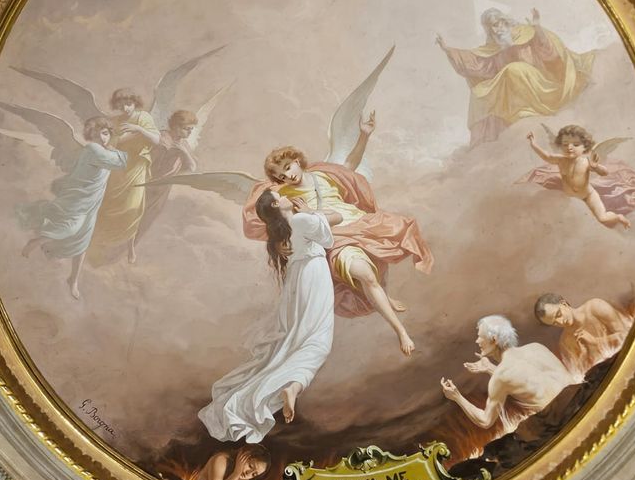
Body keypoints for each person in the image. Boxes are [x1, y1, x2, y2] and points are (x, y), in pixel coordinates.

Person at [242, 119, 433, 357]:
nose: (288, 176)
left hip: (359, 224)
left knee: (380, 258)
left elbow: (350, 164)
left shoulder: (324, 174)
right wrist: (279, 244)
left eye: (288, 167)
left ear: (297, 161)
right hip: (333, 236)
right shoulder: (284, 195)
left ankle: (384, 295)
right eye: (281, 175)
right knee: (365, 274)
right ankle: (401, 331)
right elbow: (275, 222)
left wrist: (364, 135)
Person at [200, 189, 335, 442]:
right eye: (280, 195)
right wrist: (310, 212)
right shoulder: (300, 220)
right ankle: (288, 386)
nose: (286, 195)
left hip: (296, 284)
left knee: (295, 341)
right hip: (313, 276)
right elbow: (328, 238)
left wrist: (310, 214)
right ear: (275, 204)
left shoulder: (281, 233)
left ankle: (292, 386)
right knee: (318, 341)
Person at [436, 8, 595, 146]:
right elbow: (477, 64)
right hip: (518, 93)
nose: (497, 29)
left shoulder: (527, 33)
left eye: (498, 23)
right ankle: (519, 112)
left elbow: (548, 51)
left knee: (512, 70)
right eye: (493, 27)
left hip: (541, 83)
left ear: (505, 21)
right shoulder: (494, 47)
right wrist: (447, 49)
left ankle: (534, 106)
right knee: (480, 91)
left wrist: (537, 27)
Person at [19, 117, 127, 299]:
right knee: (71, 228)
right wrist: (117, 148)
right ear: (91, 135)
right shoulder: (93, 149)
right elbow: (119, 162)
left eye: (106, 133)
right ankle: (35, 242)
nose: (103, 137)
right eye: (99, 133)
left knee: (83, 239)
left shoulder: (103, 151)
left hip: (91, 201)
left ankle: (73, 279)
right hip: (78, 199)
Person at [440, 314, 574, 433]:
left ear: (494, 340)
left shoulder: (500, 376)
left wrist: (457, 397)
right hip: (577, 398)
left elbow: (485, 421)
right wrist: (490, 368)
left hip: (561, 420)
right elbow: (525, 378)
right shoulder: (536, 347)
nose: (477, 341)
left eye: (480, 337)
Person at [87, 88, 160, 264]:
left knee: (133, 208)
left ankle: (130, 247)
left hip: (136, 168)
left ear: (135, 103)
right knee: (110, 207)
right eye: (121, 105)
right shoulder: (113, 121)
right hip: (118, 168)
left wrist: (138, 129)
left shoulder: (143, 117)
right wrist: (116, 142)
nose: (125, 108)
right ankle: (100, 243)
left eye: (128, 104)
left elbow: (157, 140)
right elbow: (109, 144)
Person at [526, 125, 630, 229]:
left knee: (603, 218)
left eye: (575, 144)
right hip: (570, 197)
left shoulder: (586, 162)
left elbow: (604, 173)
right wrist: (533, 144)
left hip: (588, 195)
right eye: (565, 144)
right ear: (560, 145)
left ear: (585, 147)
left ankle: (618, 217)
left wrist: (596, 167)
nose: (569, 147)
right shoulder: (560, 160)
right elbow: (546, 156)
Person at [534, 292, 633, 378]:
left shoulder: (595, 307)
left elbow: (628, 334)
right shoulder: (565, 341)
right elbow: (579, 375)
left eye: (558, 314)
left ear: (564, 304)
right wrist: (584, 355)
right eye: (554, 323)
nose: (561, 322)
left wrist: (596, 341)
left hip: (627, 359)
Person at [136, 109, 198, 243]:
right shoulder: (161, 138)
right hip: (147, 184)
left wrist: (184, 152)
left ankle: (130, 247)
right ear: (176, 126)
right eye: (187, 129)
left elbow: (192, 167)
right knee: (135, 215)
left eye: (191, 129)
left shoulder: (183, 144)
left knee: (149, 218)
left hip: (163, 188)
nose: (190, 132)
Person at [191, 445, 270, 480]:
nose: (248, 474)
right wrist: (236, 473)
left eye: (254, 474)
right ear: (242, 454)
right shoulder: (221, 460)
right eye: (250, 466)